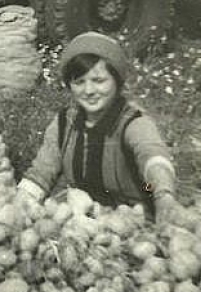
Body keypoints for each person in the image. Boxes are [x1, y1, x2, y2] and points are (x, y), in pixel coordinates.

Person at [16, 32, 179, 222]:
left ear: (117, 82)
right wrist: (19, 204)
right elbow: (41, 174)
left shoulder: (133, 123)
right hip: (82, 222)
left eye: (99, 81)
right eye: (79, 82)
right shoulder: (64, 124)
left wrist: (163, 194)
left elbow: (152, 156)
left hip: (134, 224)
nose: (89, 91)